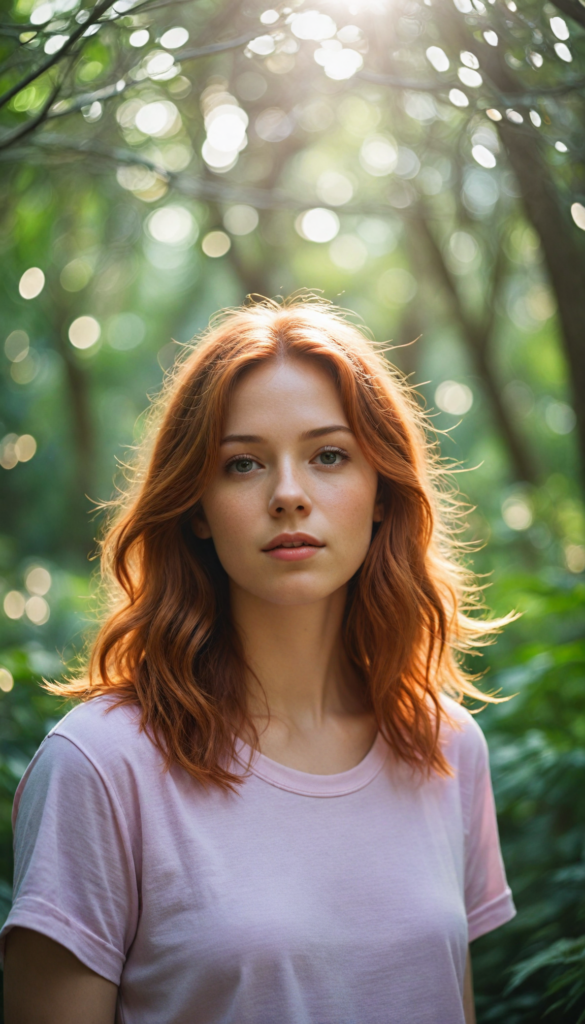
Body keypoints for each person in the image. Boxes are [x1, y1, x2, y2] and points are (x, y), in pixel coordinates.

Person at [1, 297, 516, 1024]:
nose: (287, 495)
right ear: (197, 508)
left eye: (328, 455)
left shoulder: (445, 746)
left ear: (379, 493)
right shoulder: (100, 764)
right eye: (242, 464)